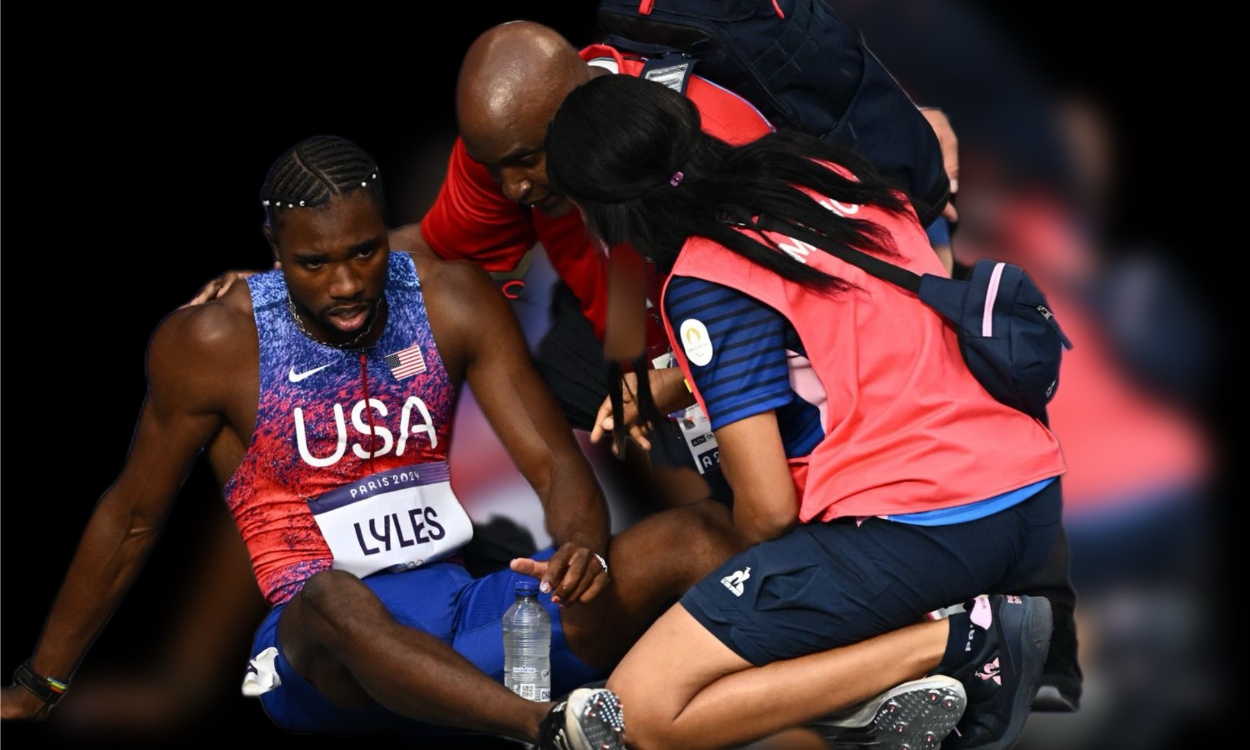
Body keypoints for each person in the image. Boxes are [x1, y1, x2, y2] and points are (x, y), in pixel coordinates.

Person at [0, 134, 1001, 750]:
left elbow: (557, 468)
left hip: (476, 611)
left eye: (361, 253)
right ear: (272, 251)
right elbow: (129, 516)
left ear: (379, 234)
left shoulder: (448, 297)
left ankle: (895, 668)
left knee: (702, 534)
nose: (348, 286)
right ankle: (557, 735)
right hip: (324, 648)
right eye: (316, 265)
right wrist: (40, 684)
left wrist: (573, 543)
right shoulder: (210, 342)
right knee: (331, 599)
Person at [543, 72, 1067, 750]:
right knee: (766, 649)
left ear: (606, 213)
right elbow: (849, 325)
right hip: (1022, 490)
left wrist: (746, 573)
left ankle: (959, 642)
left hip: (924, 528)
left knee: (639, 712)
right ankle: (893, 678)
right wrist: (675, 382)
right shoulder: (820, 169)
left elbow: (767, 510)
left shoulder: (707, 276)